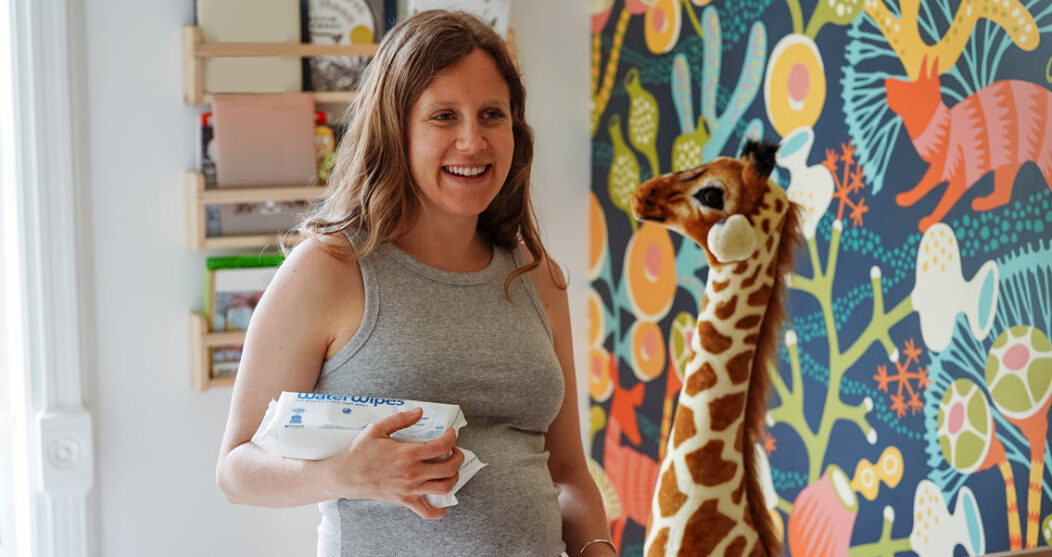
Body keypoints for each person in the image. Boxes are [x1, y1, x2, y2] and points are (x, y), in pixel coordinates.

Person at [215, 10, 616, 557]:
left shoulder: (538, 277)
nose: (473, 141)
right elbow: (236, 470)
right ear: (395, 129)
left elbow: (568, 472)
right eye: (444, 116)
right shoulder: (330, 269)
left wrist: (599, 550)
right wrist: (344, 474)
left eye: (492, 115)